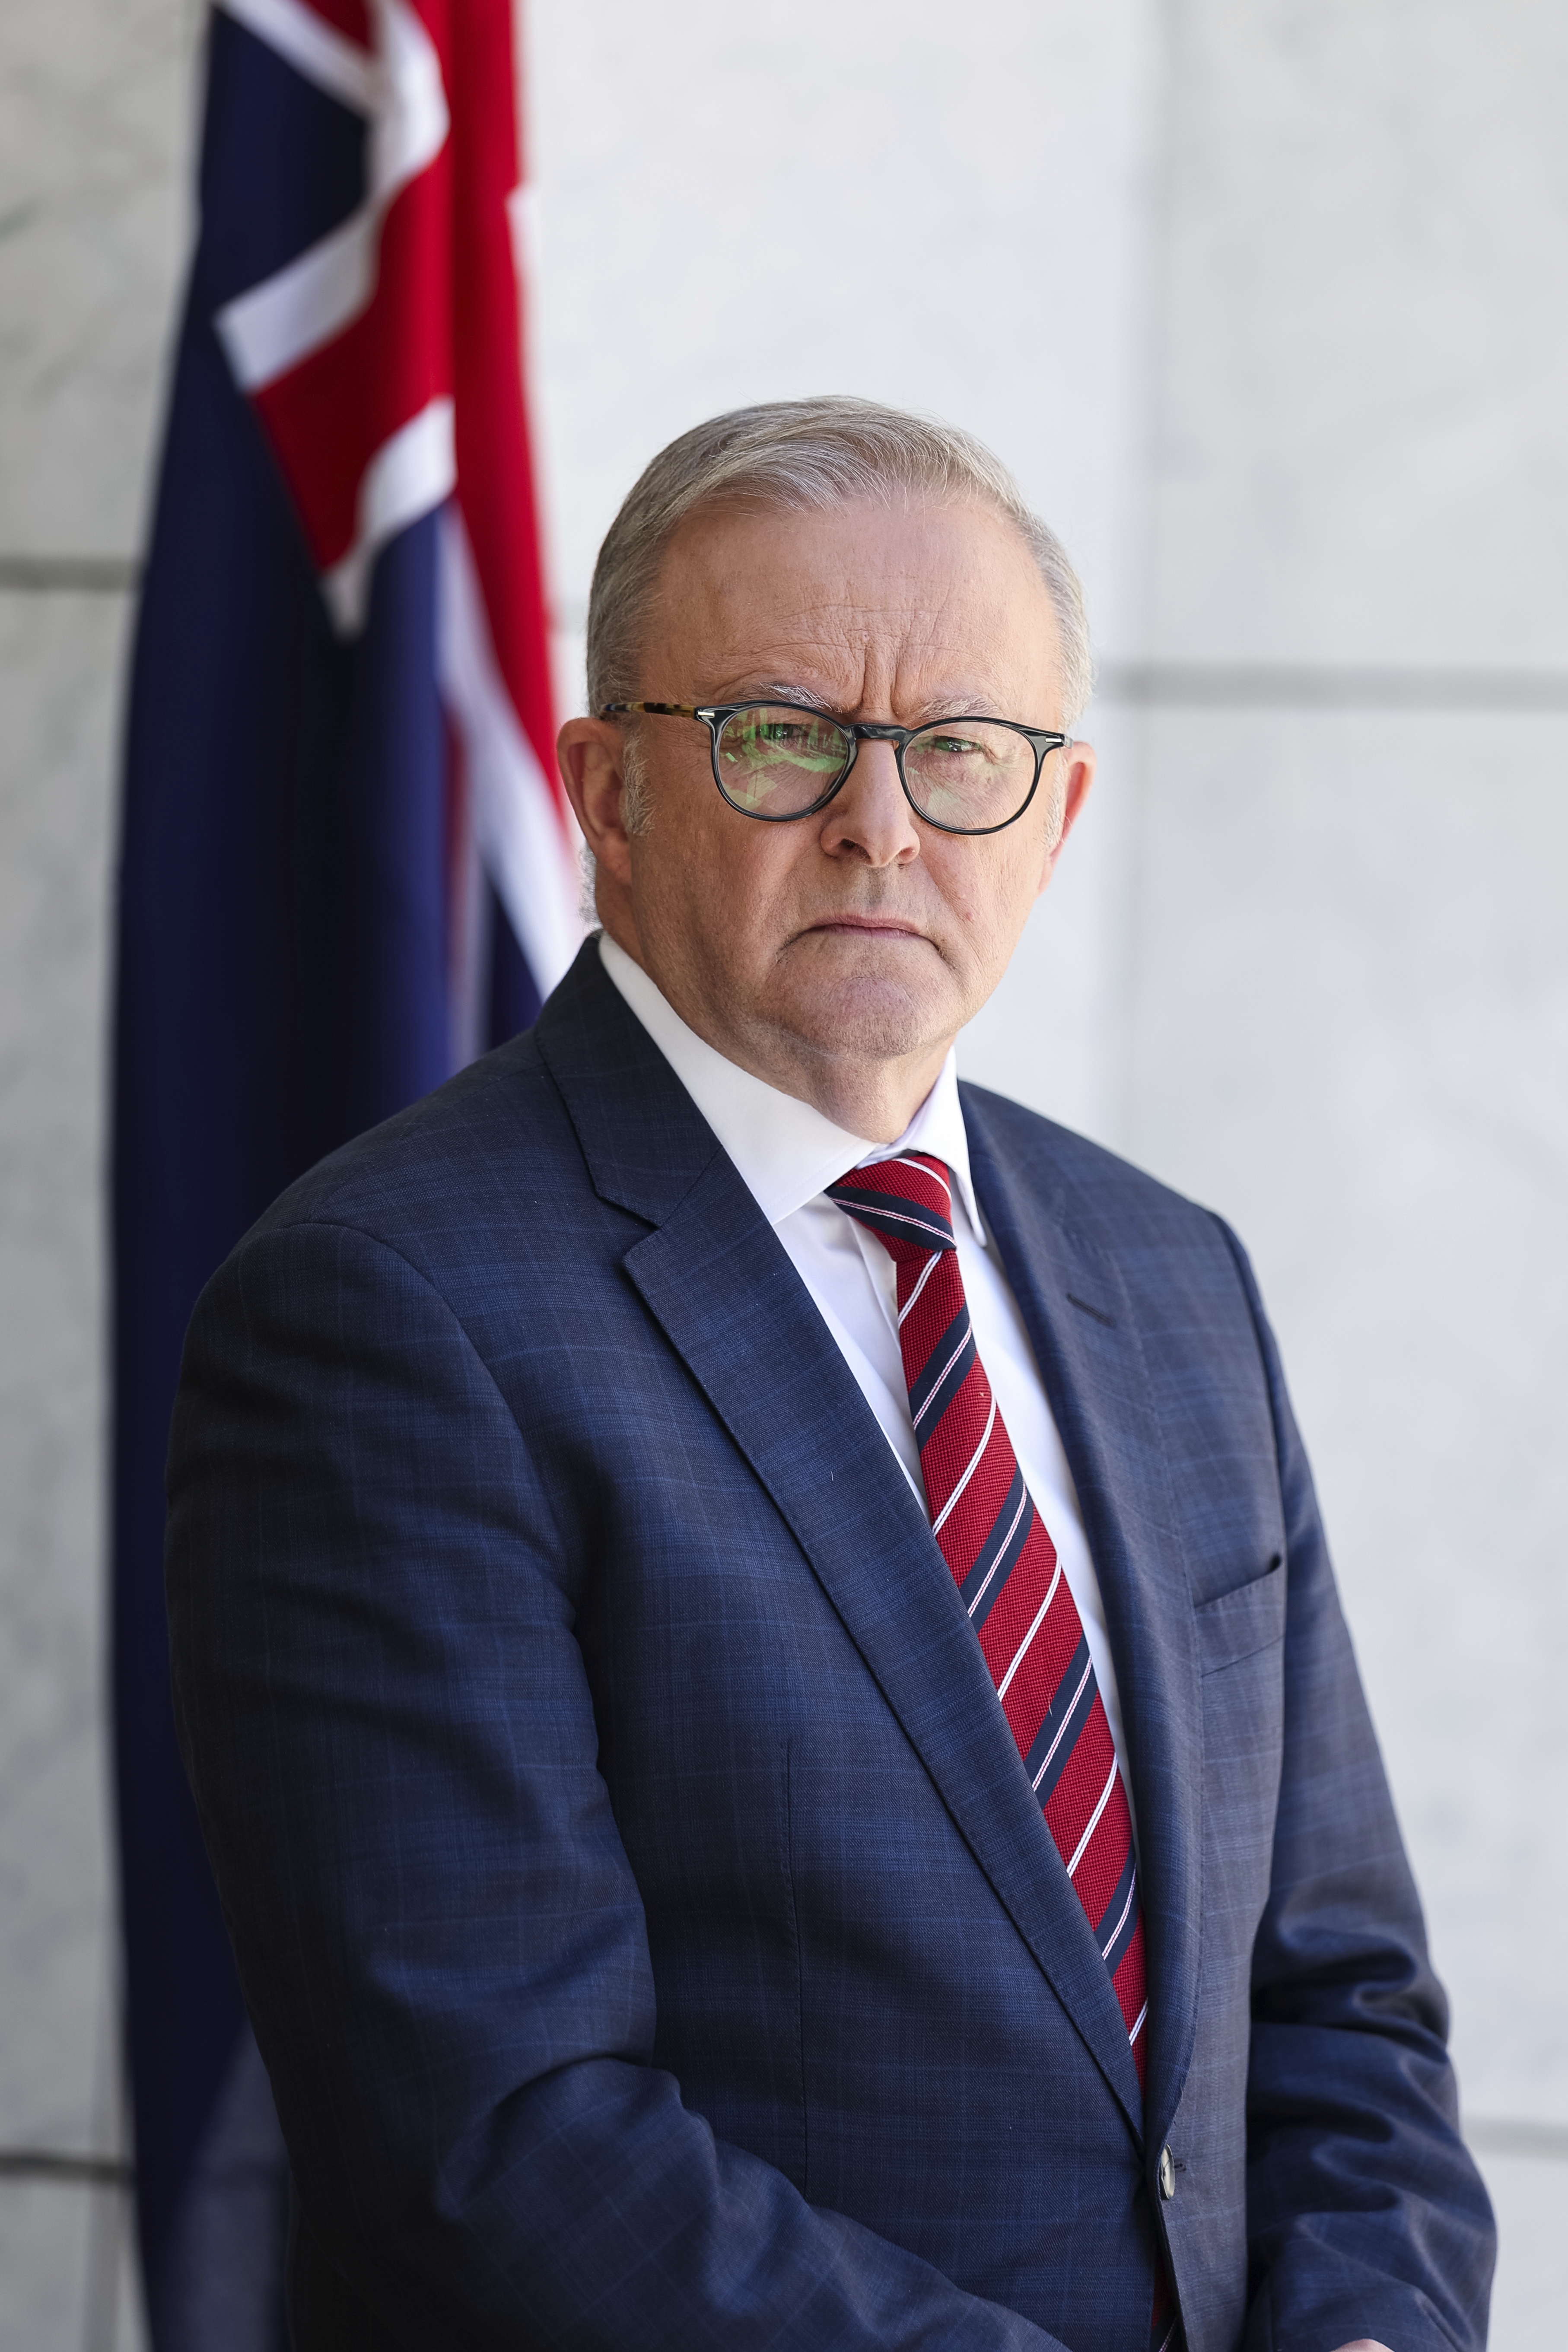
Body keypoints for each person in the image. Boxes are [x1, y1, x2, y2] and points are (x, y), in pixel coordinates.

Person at [165, 399, 1494, 2352]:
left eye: (959, 749)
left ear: (1053, 817)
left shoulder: (1167, 1273)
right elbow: (507, 2139)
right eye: (784, 732)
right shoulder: (386, 1311)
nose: (881, 821)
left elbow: (1337, 1993)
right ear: (606, 791)